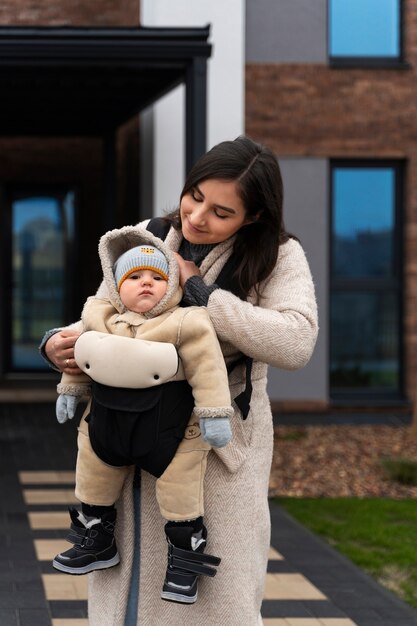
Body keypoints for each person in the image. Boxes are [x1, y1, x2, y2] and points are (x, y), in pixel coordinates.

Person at [41, 135, 318, 626]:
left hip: (213, 447)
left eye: (221, 212)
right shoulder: (147, 235)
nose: (196, 217)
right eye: (195, 196)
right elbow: (104, 312)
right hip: (125, 432)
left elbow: (296, 342)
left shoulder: (279, 254)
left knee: (215, 595)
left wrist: (199, 291)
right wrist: (58, 344)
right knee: (123, 579)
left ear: (253, 217)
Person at [52, 228, 233, 605]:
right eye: (135, 277)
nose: (146, 283)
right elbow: (81, 355)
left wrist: (215, 414)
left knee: (181, 489)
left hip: (172, 430)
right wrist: (70, 389)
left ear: (171, 288)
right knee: (93, 471)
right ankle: (96, 536)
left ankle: (185, 556)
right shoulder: (97, 314)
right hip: (107, 424)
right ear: (117, 287)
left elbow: (209, 368)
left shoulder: (187, 322)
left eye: (157, 277)